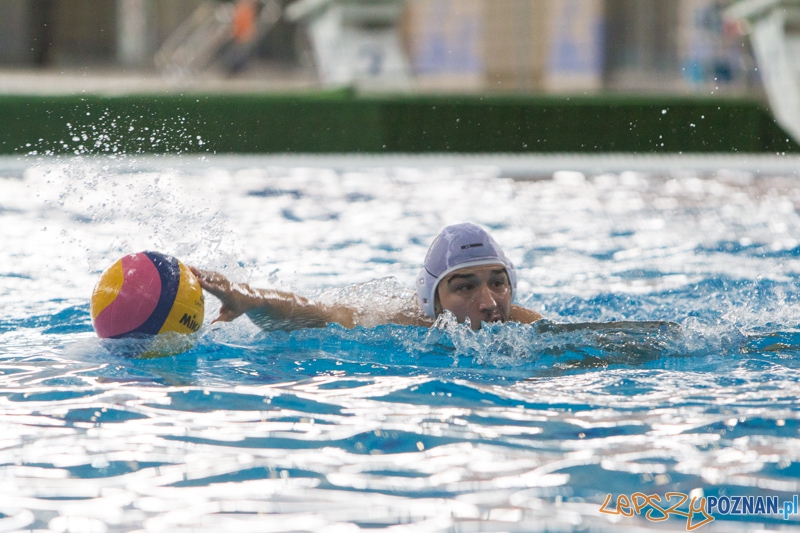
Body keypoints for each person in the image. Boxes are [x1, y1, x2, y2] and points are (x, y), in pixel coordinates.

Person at [191, 223, 543, 331]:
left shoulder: (528, 326)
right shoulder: (404, 322)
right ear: (431, 301)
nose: (488, 303)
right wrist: (249, 298)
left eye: (497, 283)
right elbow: (318, 313)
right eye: (464, 287)